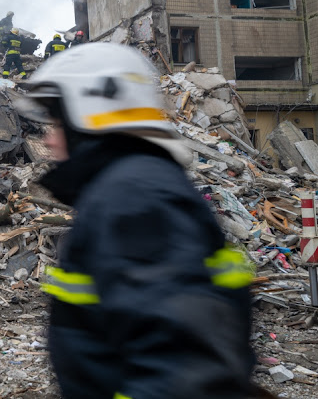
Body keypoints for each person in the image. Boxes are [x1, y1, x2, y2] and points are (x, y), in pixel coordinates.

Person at [24, 43, 254, 399]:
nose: (49, 140)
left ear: (90, 114)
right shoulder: (128, 189)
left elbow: (185, 375)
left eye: (56, 123)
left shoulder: (136, 200)